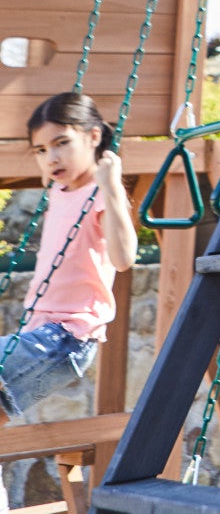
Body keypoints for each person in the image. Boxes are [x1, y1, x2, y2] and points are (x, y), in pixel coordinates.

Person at [0, 94, 138, 425]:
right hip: (42, 334)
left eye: (62, 143)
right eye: (42, 150)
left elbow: (124, 258)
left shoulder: (101, 194)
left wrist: (112, 188)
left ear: (93, 136)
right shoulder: (58, 191)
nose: (52, 157)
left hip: (67, 340)